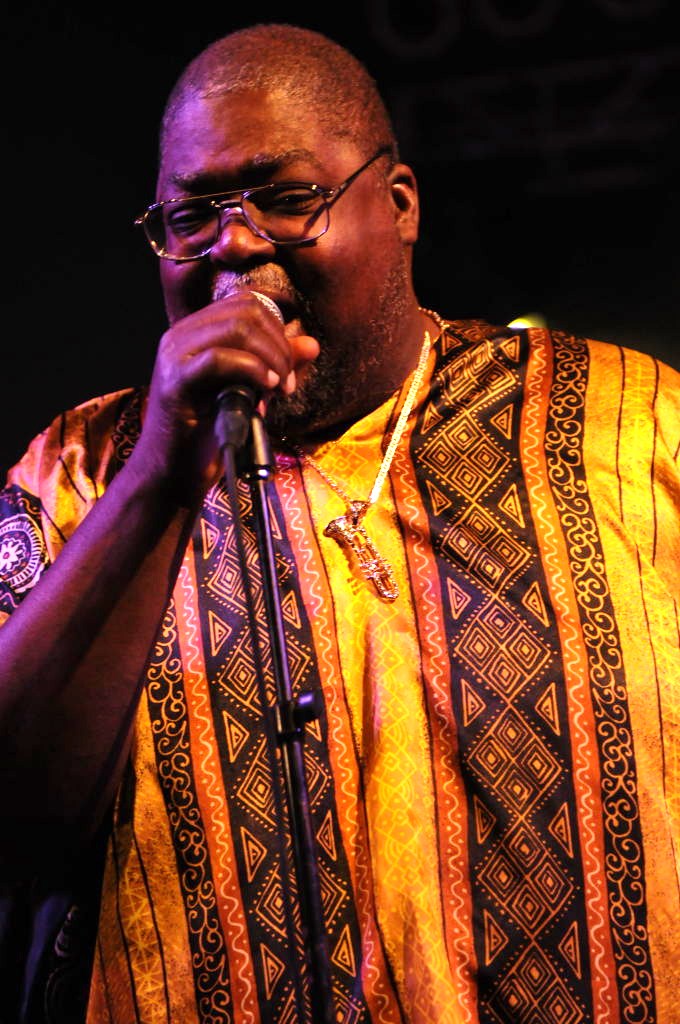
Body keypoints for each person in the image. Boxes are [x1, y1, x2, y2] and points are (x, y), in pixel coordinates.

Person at [0, 21, 678, 1024]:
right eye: (190, 216)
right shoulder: (77, 476)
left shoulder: (634, 425)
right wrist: (156, 478)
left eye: (284, 198)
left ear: (398, 206)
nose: (235, 243)